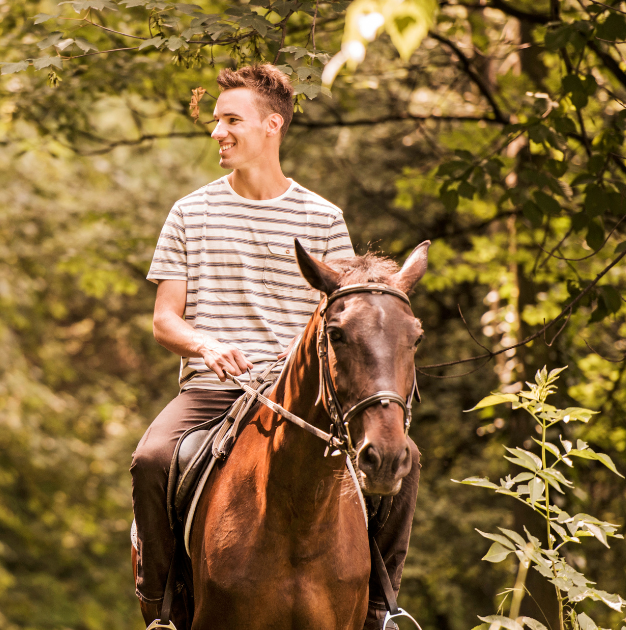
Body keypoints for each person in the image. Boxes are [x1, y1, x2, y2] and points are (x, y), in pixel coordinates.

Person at [130, 63, 418, 629]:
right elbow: (165, 320)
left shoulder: (324, 218)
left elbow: (350, 313)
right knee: (151, 458)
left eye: (231, 120)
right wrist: (206, 345)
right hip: (216, 390)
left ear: (272, 125)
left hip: (306, 398)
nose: (218, 132)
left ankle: (380, 610)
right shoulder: (191, 212)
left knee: (403, 461)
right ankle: (162, 608)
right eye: (216, 122)